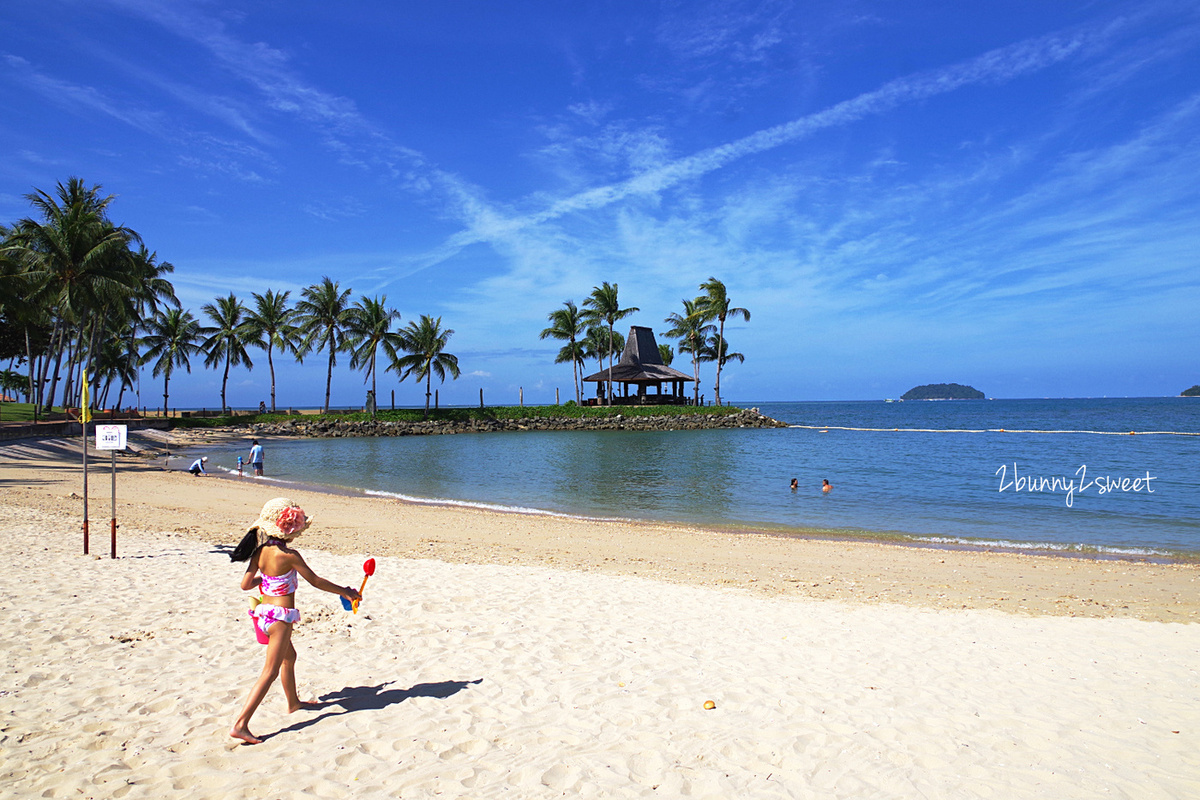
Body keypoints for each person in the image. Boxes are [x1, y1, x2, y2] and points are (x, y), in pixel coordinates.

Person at [228, 498, 360, 745]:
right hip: (280, 619)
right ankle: (241, 724)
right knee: (269, 672)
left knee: (290, 657)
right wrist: (345, 591)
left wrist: (268, 581)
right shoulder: (289, 555)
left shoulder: (259, 552)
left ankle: (292, 702)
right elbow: (316, 581)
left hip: (263, 614)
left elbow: (246, 585)